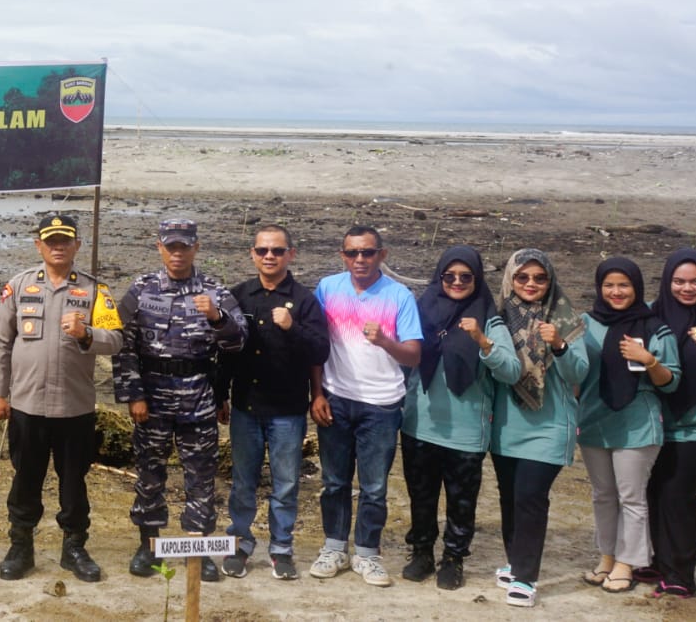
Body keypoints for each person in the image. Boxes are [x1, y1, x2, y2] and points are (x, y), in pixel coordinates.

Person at [0, 213, 122, 582]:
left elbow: (117, 340)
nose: (58, 247)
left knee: (73, 482)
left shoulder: (96, 291)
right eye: (51, 241)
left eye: (65, 240)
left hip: (74, 407)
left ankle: (74, 547)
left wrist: (87, 334)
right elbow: (2, 344)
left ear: (77, 245)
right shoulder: (18, 286)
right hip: (27, 406)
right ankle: (21, 547)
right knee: (25, 478)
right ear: (39, 246)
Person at [115, 218, 246, 582]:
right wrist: (133, 394)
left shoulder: (214, 290)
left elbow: (238, 343)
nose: (177, 253)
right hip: (152, 399)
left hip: (198, 400)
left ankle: (198, 551)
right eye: (170, 246)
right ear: (159, 247)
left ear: (196, 248)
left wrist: (217, 317)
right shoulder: (141, 289)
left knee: (201, 479)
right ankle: (148, 546)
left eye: (184, 246)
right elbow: (121, 342)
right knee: (149, 474)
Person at [399, 246, 520, 590]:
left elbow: (511, 372)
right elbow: (403, 357)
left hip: (466, 431)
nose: (456, 282)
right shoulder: (422, 310)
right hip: (420, 424)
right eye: (448, 276)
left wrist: (482, 341)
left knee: (461, 499)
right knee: (420, 495)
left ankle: (453, 557)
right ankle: (421, 552)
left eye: (465, 277)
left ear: (477, 279)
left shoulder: (490, 318)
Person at [308, 225, 422, 587]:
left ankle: (368, 553)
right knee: (334, 481)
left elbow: (415, 356)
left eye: (368, 253)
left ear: (382, 255)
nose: (360, 259)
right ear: (343, 255)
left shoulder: (400, 296)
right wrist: (317, 393)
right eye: (353, 253)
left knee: (374, 487)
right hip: (336, 398)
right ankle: (334, 548)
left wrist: (386, 341)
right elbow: (316, 344)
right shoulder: (328, 287)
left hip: (382, 405)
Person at [218, 224, 330, 581]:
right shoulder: (238, 296)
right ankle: (239, 544)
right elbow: (225, 352)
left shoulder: (305, 300)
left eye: (278, 251)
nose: (270, 256)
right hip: (246, 407)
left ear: (290, 255)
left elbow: (321, 350)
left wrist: (291, 326)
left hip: (287, 410)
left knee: (285, 484)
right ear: (252, 254)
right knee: (243, 482)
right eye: (263, 250)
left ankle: (281, 550)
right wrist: (220, 394)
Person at [487, 248, 586, 608]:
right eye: (522, 277)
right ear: (510, 278)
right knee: (511, 497)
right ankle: (516, 562)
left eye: (539, 278)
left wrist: (559, 344)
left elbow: (580, 374)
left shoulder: (565, 317)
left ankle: (526, 578)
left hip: (549, 424)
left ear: (550, 281)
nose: (531, 284)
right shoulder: (496, 316)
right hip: (507, 424)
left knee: (530, 496)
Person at [576, 256, 680, 594]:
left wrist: (649, 360)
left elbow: (671, 382)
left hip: (638, 424)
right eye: (609, 285)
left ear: (636, 287)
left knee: (631, 496)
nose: (616, 292)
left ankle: (627, 562)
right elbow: (575, 371)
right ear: (599, 287)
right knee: (603, 495)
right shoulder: (585, 323)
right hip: (594, 421)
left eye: (624, 285)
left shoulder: (654, 327)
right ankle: (607, 556)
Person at [638, 249, 696, 597]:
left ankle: (681, 574)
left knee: (678, 494)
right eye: (679, 281)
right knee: (653, 490)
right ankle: (659, 559)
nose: (687, 288)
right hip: (659, 424)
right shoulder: (656, 314)